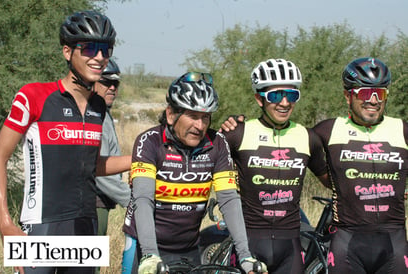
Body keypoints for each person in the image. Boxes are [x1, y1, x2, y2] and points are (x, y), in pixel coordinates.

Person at [0, 10, 130, 274]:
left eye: (106, 49)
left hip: (86, 226)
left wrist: (140, 158)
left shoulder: (98, 106)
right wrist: (5, 223)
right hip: (41, 225)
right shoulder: (34, 96)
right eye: (90, 48)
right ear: (67, 52)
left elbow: (90, 165)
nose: (100, 57)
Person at [121, 72, 267, 274]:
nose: (200, 126)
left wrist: (245, 255)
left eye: (205, 117)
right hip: (144, 246)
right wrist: (150, 255)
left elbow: (229, 200)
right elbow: (144, 199)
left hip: (187, 247)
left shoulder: (217, 143)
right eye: (192, 116)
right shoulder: (150, 142)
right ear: (171, 114)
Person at [220, 58, 330, 273]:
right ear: (259, 99)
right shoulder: (237, 133)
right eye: (275, 95)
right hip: (249, 241)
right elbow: (199, 163)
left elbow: (331, 181)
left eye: (291, 95)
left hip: (289, 244)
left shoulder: (307, 137)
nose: (284, 103)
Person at [312, 57, 408, 273]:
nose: (373, 100)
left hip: (394, 243)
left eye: (380, 93)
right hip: (347, 242)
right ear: (348, 95)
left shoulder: (401, 130)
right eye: (365, 93)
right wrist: (236, 126)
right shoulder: (328, 130)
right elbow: (281, 142)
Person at [94, 58, 131, 274]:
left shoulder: (103, 112)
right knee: (88, 267)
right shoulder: (93, 115)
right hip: (92, 203)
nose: (112, 88)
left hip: (101, 203)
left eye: (115, 84)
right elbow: (99, 171)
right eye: (106, 83)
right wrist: (132, 201)